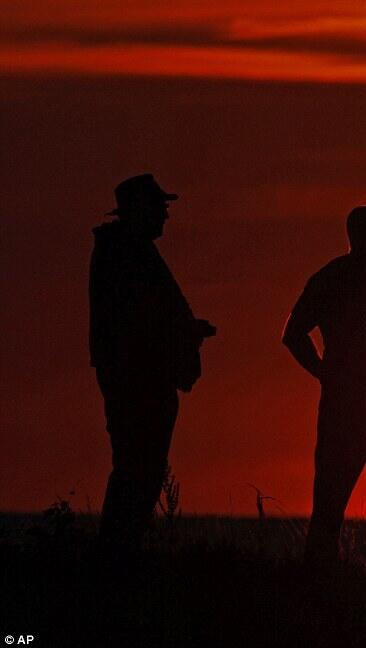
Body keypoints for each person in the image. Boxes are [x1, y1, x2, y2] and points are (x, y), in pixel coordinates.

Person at [283, 205, 366, 579]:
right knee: (333, 502)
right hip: (356, 411)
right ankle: (323, 582)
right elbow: (293, 335)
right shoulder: (334, 279)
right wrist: (326, 375)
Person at [90, 174, 215, 549]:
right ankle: (117, 553)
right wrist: (184, 333)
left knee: (140, 467)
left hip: (141, 376)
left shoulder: (127, 252)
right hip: (138, 380)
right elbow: (140, 321)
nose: (165, 216)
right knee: (137, 468)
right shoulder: (128, 254)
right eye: (159, 208)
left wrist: (188, 329)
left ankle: (120, 550)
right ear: (139, 210)